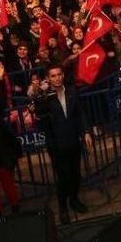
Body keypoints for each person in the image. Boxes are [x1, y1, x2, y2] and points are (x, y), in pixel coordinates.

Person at [31, 63, 93, 224]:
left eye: (59, 74)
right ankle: (63, 208)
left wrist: (86, 132)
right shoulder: (44, 97)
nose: (57, 78)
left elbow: (80, 113)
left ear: (63, 75)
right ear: (48, 78)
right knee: (63, 177)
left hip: (73, 139)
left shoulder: (72, 91)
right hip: (56, 144)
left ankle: (74, 200)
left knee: (76, 174)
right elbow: (40, 122)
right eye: (53, 76)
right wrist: (42, 96)